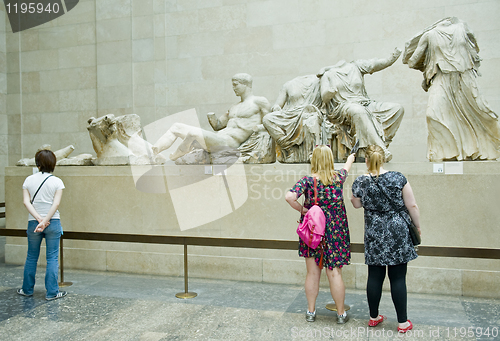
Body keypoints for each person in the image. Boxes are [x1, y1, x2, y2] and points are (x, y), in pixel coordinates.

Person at [403, 17, 500, 161]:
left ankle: (479, 150)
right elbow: (412, 61)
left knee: (480, 113)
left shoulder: (462, 27)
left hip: (464, 78)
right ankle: (446, 154)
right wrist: (427, 64)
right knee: (432, 115)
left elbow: (475, 47)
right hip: (442, 77)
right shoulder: (429, 35)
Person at [350, 145, 421, 333]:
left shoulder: (361, 181)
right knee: (398, 278)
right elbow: (411, 205)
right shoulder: (398, 177)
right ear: (383, 159)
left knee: (374, 276)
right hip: (397, 231)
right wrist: (418, 226)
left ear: (366, 160)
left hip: (374, 233)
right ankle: (403, 323)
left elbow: (356, 204)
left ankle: (374, 317)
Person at [285, 146, 355, 324]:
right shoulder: (338, 178)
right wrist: (350, 158)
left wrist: (303, 210)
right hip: (335, 233)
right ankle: (340, 314)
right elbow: (347, 167)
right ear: (330, 160)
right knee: (335, 273)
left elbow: (289, 197)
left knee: (312, 274)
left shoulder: (307, 181)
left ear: (314, 160)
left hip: (313, 232)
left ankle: (310, 311)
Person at [152, 73, 271, 161]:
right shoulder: (234, 107)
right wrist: (212, 117)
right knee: (176, 127)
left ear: (245, 85)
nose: (233, 88)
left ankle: (173, 157)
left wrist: (257, 128)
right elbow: (218, 125)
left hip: (228, 143)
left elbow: (269, 123)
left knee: (193, 133)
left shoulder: (259, 101)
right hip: (217, 138)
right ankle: (154, 152)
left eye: (236, 85)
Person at [317, 48, 405, 161]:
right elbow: (324, 97)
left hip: (364, 103)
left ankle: (375, 145)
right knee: (357, 111)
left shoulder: (356, 66)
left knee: (397, 109)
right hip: (342, 108)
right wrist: (329, 92)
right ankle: (380, 150)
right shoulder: (328, 74)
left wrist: (392, 58)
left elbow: (375, 64)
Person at [17, 149, 67, 300]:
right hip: (52, 223)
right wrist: (45, 221)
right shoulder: (57, 181)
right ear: (53, 164)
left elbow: (26, 202)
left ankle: (27, 289)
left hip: (33, 223)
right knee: (52, 258)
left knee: (31, 256)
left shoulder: (28, 180)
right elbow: (56, 204)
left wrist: (39, 219)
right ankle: (52, 292)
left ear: (37, 163)